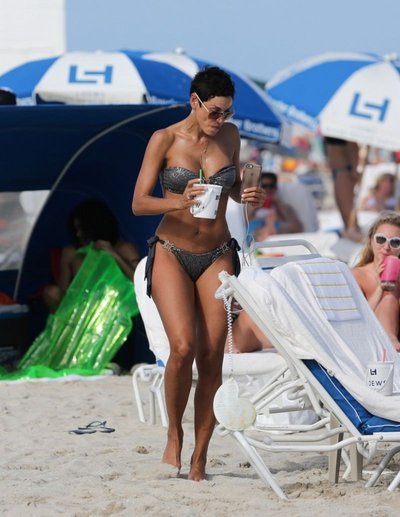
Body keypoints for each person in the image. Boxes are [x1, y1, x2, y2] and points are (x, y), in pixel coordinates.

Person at [132, 66, 264, 481]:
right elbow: (138, 202)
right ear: (195, 102)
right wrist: (177, 201)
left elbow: (232, 187)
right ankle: (174, 434)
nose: (221, 120)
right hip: (172, 250)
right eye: (215, 112)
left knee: (212, 356)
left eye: (227, 112)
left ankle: (200, 457)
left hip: (218, 250)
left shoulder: (230, 136)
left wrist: (245, 191)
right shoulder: (165, 139)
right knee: (183, 346)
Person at [43, 198, 140, 313]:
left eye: (82, 229)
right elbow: (63, 292)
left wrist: (114, 255)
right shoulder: (71, 253)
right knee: (51, 292)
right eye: (75, 230)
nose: (78, 234)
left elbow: (142, 284)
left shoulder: (123, 248)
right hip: (80, 310)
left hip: (115, 310)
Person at [352, 211, 400, 352]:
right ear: (370, 240)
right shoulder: (357, 275)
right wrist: (380, 289)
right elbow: (356, 322)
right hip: (369, 343)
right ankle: (389, 340)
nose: (386, 247)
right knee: (388, 297)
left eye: (395, 242)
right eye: (381, 239)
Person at [248, 171, 303, 242]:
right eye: (264, 186)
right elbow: (244, 228)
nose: (268, 189)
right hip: (256, 243)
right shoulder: (249, 208)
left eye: (271, 186)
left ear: (276, 188)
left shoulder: (286, 208)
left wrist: (278, 206)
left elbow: (298, 228)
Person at [324, 137, 360, 239]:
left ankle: (355, 233)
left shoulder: (344, 131)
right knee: (343, 206)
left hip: (343, 170)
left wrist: (354, 169)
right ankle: (351, 231)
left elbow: (353, 145)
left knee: (347, 207)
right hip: (339, 170)